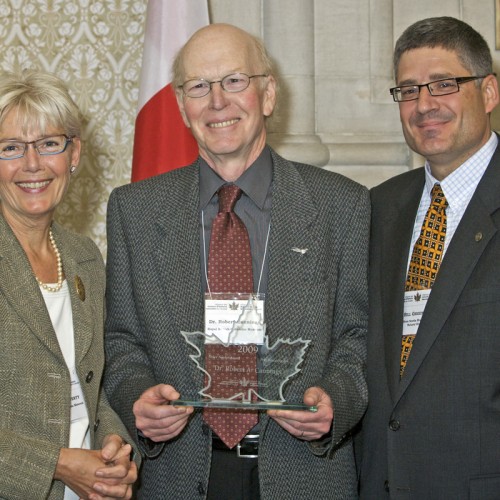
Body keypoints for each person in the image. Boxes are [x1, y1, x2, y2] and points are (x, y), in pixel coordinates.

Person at [104, 23, 369, 499]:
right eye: (198, 87)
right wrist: (136, 397)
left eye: (233, 81)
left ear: (268, 95)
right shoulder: (134, 211)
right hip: (178, 474)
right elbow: (122, 339)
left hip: (304, 473)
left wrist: (337, 401)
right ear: (183, 108)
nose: (217, 101)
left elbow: (359, 335)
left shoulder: (342, 206)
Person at [359, 16, 500, 499]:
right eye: (408, 90)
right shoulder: (376, 208)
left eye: (443, 85)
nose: (424, 106)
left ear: (488, 92)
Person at [0, 70, 138, 500]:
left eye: (48, 144)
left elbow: (89, 386)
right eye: (10, 148)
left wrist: (115, 446)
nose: (33, 165)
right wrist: (58, 464)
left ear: (73, 153)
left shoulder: (84, 257)